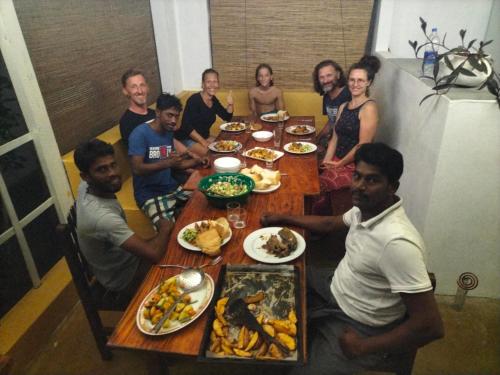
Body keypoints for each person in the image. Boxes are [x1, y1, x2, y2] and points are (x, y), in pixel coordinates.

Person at [261, 143, 444, 374]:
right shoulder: (365, 208)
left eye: (372, 180)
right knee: (272, 276)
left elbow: (430, 326)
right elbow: (330, 223)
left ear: (392, 187)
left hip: (360, 324)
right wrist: (282, 216)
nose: (358, 186)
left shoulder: (397, 243)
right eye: (357, 176)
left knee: (293, 368)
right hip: (336, 284)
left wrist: (362, 347)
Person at [74, 139, 173, 306]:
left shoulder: (84, 186)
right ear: (86, 176)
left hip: (121, 259)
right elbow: (154, 255)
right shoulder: (102, 218)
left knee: (177, 245)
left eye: (113, 165)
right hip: (123, 278)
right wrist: (165, 226)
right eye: (102, 170)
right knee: (182, 262)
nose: (112, 173)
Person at [128, 93, 208, 226]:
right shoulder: (140, 134)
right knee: (169, 229)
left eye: (176, 116)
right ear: (158, 112)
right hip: (149, 194)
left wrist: (197, 161)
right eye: (169, 115)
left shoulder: (168, 132)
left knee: (206, 202)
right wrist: (168, 163)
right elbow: (138, 169)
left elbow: (174, 165)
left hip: (170, 187)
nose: (174, 121)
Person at [315, 55, 381, 214]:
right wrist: (327, 160)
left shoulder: (369, 108)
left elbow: (362, 145)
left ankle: (327, 225)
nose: (355, 84)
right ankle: (322, 218)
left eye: (360, 80)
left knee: (317, 186)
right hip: (337, 159)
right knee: (311, 171)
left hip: (356, 165)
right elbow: (335, 137)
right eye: (352, 80)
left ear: (369, 82)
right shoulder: (343, 106)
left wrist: (339, 164)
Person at [175, 68, 234, 155]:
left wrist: (230, 105)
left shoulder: (213, 100)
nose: (212, 85)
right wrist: (204, 142)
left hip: (204, 137)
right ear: (203, 84)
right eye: (208, 82)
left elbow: (227, 117)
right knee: (213, 154)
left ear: (218, 84)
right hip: (186, 139)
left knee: (229, 146)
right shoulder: (194, 100)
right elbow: (186, 126)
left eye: (215, 81)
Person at [312, 60, 351, 158]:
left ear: (338, 75)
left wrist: (327, 146)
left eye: (329, 75)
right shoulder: (327, 96)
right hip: (332, 139)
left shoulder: (348, 94)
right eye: (321, 77)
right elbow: (331, 122)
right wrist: (316, 139)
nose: (325, 80)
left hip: (345, 145)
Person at [119, 69, 156, 147]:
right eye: (134, 87)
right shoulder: (127, 122)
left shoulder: (155, 113)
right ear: (125, 91)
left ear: (147, 88)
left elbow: (170, 140)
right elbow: (140, 155)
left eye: (142, 85)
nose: (140, 91)